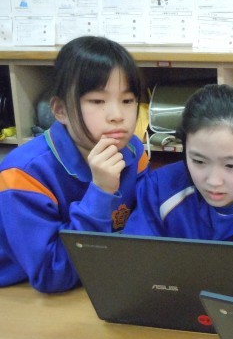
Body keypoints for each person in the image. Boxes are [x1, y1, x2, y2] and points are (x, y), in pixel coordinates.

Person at [0, 35, 149, 293]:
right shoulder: (22, 174)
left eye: (127, 101)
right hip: (21, 291)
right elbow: (51, 274)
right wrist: (101, 192)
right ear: (60, 110)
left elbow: (144, 231)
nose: (117, 116)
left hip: (99, 278)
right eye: (97, 101)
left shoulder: (133, 150)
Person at [123, 83, 233, 281]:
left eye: (231, 165)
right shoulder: (159, 187)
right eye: (199, 161)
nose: (213, 181)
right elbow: (135, 262)